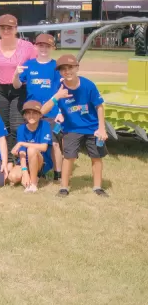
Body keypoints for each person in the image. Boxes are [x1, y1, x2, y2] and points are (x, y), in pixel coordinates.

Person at [41, 54, 108, 198]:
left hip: (92, 128)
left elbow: (99, 106)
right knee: (68, 157)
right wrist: (57, 97)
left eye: (70, 67)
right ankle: (64, 188)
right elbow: (42, 111)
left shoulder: (88, 85)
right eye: (63, 69)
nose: (67, 71)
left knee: (96, 157)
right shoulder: (58, 87)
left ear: (77, 68)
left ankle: (97, 187)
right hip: (71, 128)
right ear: (59, 72)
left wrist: (101, 128)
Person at [12, 33, 63, 181]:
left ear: (52, 48)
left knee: (54, 143)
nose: (44, 49)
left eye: (47, 46)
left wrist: (60, 111)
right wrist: (16, 75)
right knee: (33, 142)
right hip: (32, 112)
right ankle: (36, 168)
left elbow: (62, 90)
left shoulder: (56, 67)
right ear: (36, 46)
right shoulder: (29, 65)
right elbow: (16, 86)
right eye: (41, 45)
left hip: (51, 112)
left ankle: (58, 174)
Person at [0, 14, 37, 145]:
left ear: (16, 29)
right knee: (3, 124)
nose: (6, 31)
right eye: (3, 28)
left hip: (20, 88)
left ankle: (16, 152)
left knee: (16, 125)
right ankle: (5, 153)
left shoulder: (27, 47)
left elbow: (36, 66)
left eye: (10, 28)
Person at [8, 101, 53, 193]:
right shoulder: (21, 129)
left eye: (35, 113)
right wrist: (25, 172)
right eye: (28, 113)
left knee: (31, 150)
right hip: (26, 161)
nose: (31, 116)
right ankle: (29, 176)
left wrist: (22, 143)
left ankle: (33, 184)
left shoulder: (45, 125)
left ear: (40, 115)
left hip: (40, 161)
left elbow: (43, 147)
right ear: (24, 115)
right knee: (12, 177)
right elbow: (22, 152)